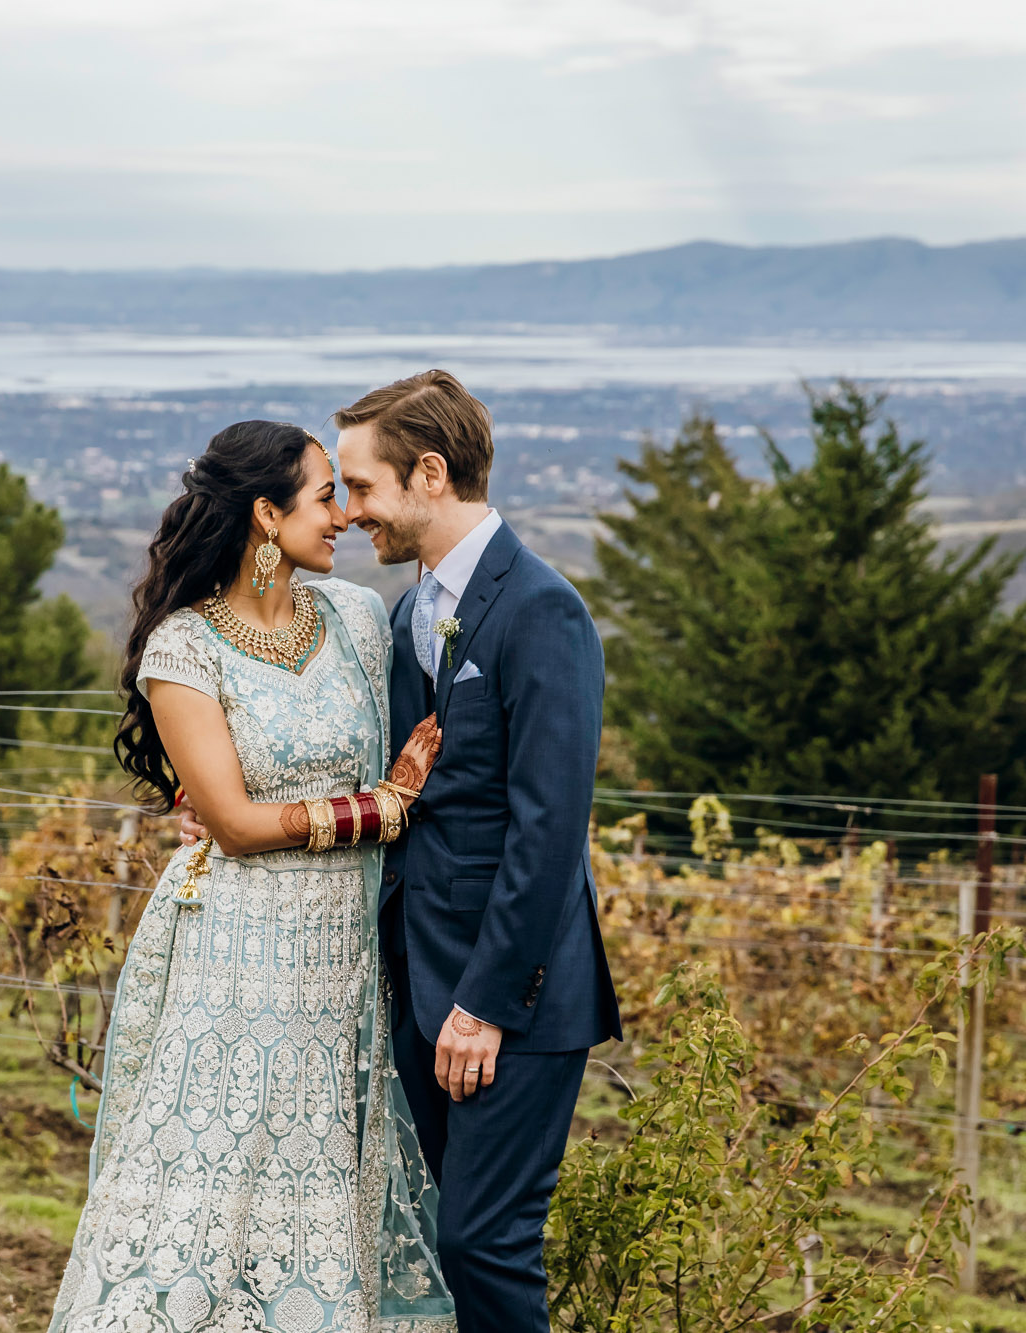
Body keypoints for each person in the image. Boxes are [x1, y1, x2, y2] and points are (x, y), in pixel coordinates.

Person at [48, 419, 459, 1332]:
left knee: (317, 1180)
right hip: (234, 957)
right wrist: (381, 808)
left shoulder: (357, 621)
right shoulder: (184, 651)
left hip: (342, 959)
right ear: (266, 516)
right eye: (324, 496)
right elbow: (231, 822)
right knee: (209, 1187)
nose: (345, 516)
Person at [337, 370, 621, 1333]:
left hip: (513, 997)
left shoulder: (543, 610)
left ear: (428, 472)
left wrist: (485, 1005)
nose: (350, 512)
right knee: (426, 1242)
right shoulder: (407, 608)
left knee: (482, 1244)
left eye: (363, 487)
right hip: (419, 979)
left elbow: (548, 831)